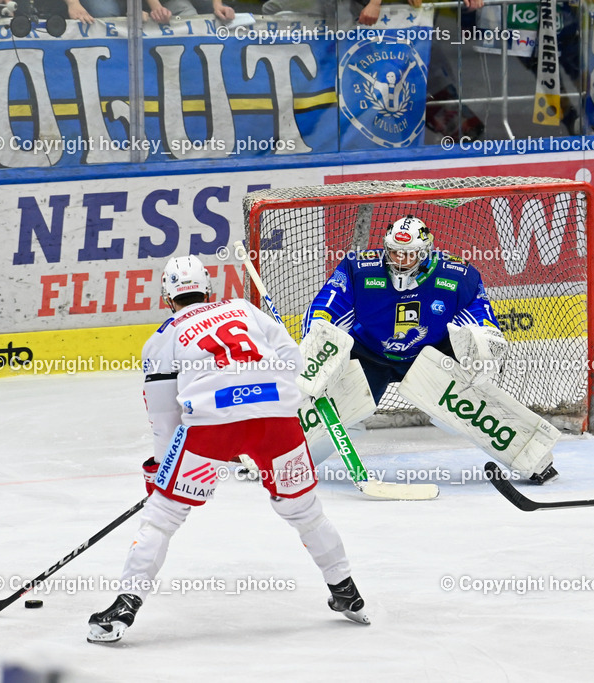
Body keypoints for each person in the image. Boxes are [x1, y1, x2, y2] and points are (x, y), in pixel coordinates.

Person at [87, 255, 368, 643]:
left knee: (163, 516)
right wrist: (263, 398)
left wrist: (159, 470)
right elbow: (293, 359)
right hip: (276, 422)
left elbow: (165, 414)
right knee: (304, 510)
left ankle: (123, 608)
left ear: (167, 298)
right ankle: (347, 593)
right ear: (209, 290)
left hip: (211, 428)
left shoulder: (162, 338)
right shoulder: (243, 308)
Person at [301, 215, 558, 483]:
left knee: (470, 407)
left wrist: (484, 345)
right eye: (394, 252)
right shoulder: (359, 268)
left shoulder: (458, 275)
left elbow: (481, 319)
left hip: (430, 355)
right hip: (369, 354)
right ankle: (278, 457)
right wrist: (317, 345)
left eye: (408, 254)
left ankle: (535, 458)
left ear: (424, 253)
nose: (399, 260)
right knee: (332, 408)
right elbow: (327, 308)